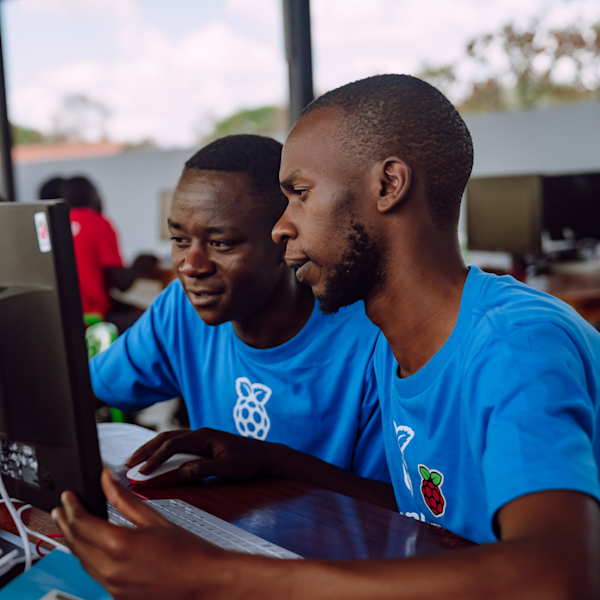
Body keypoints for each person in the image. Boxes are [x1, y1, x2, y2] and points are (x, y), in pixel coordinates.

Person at [53, 76, 600, 599]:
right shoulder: (403, 343)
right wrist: (277, 461)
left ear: (388, 185)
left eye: (299, 194)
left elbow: (557, 580)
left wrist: (218, 577)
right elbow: (435, 516)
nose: (280, 226)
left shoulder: (513, 345)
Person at [88, 134, 390, 483]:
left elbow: (404, 514)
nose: (191, 265)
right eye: (180, 240)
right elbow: (86, 392)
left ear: (286, 241)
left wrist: (271, 463)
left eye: (220, 243)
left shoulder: (373, 342)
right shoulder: (180, 309)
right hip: (221, 529)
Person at [39, 175, 157, 331]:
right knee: (159, 323)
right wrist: (142, 259)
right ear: (92, 196)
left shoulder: (54, 224)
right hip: (93, 319)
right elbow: (121, 283)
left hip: (61, 319)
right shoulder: (98, 222)